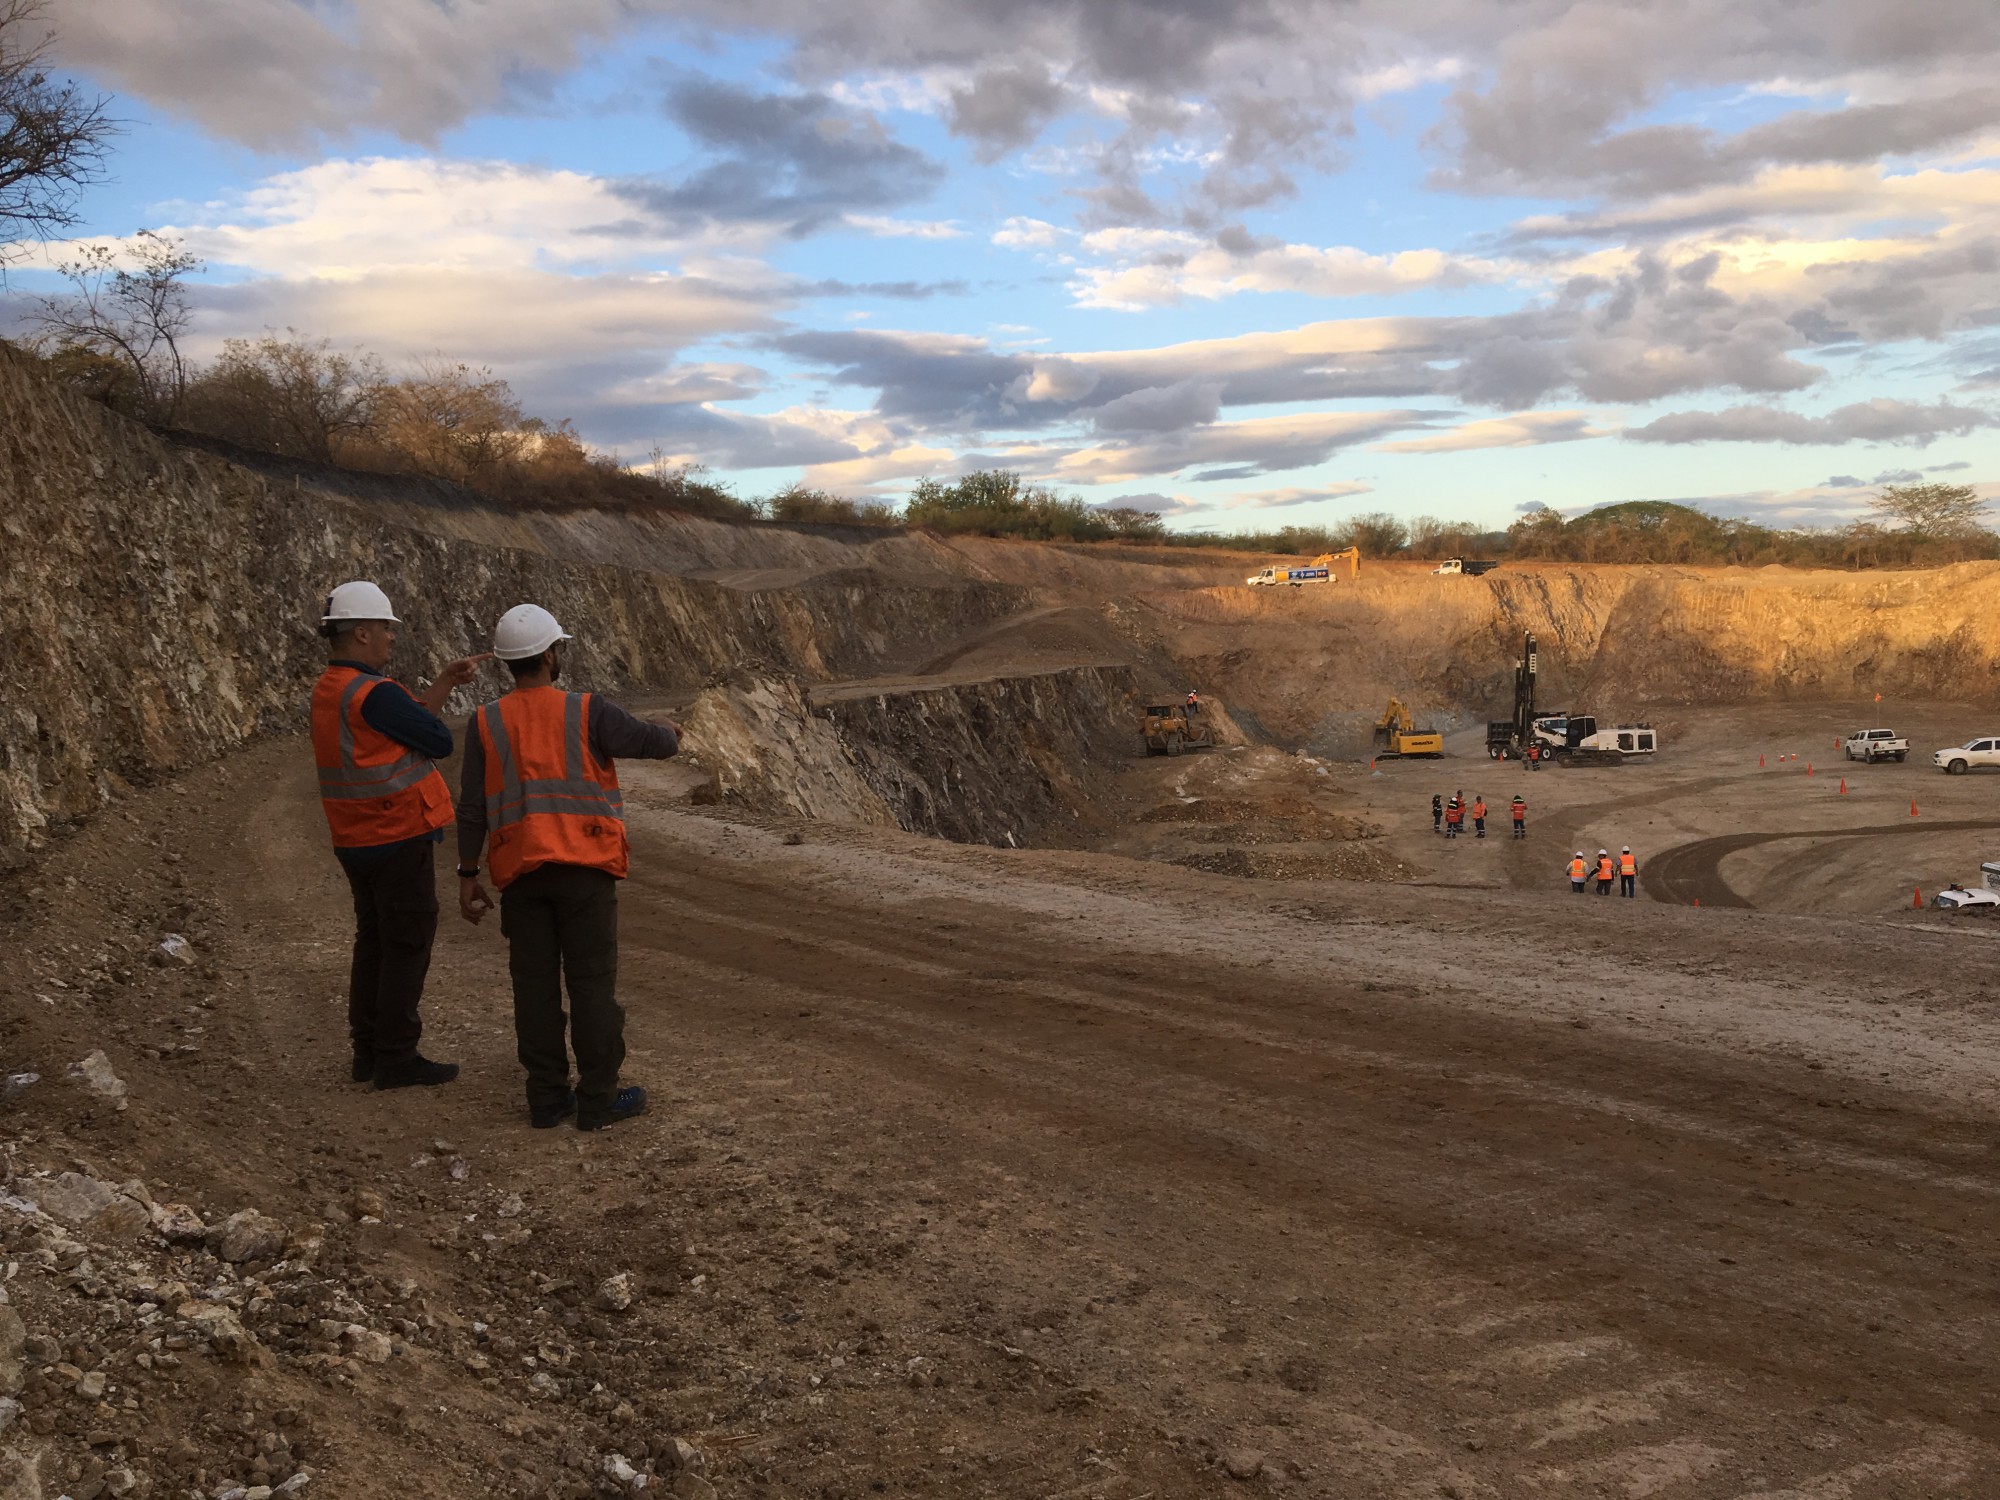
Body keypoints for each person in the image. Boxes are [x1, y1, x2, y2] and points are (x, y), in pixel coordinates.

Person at [456, 604, 680, 1131]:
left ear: (507, 663)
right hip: (585, 870)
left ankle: (547, 1100)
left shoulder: (485, 722)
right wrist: (671, 731)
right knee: (592, 986)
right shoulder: (586, 711)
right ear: (552, 655)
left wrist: (468, 874)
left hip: (521, 877)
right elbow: (652, 742)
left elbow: (471, 807)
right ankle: (599, 1100)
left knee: (533, 989)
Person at [311, 581, 483, 1089]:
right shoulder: (375, 693)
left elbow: (401, 724)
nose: (390, 639)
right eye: (386, 629)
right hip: (395, 833)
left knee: (374, 943)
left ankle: (367, 1051)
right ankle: (396, 1056)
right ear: (361, 632)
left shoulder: (333, 687)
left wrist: (444, 683)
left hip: (356, 837)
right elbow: (435, 739)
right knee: (406, 943)